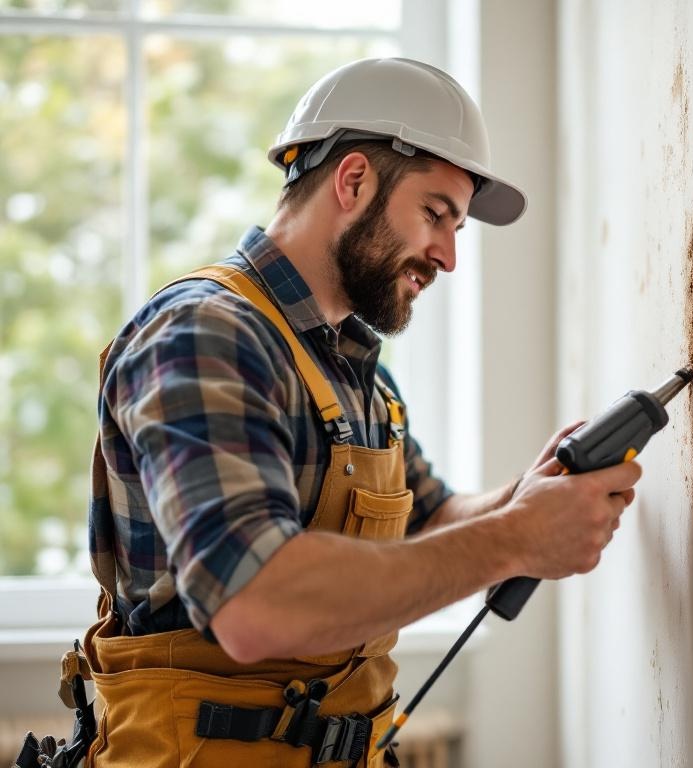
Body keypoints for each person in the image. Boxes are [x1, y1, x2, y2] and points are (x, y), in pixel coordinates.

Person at [78, 57, 641, 767]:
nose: (448, 256)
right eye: (436, 214)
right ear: (352, 181)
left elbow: (429, 521)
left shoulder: (351, 367)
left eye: (457, 227)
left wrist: (533, 495)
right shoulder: (205, 336)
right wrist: (518, 537)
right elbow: (254, 605)